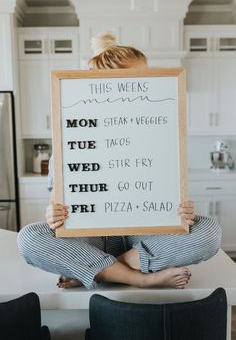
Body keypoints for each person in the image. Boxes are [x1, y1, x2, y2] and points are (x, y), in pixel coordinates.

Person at [17, 32, 222, 290]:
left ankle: (97, 269)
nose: (145, 85)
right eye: (137, 80)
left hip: (142, 238)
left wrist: (183, 213)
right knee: (29, 238)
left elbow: (170, 200)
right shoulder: (70, 138)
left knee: (210, 232)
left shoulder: (160, 134)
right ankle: (137, 277)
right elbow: (57, 213)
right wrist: (52, 214)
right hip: (90, 236)